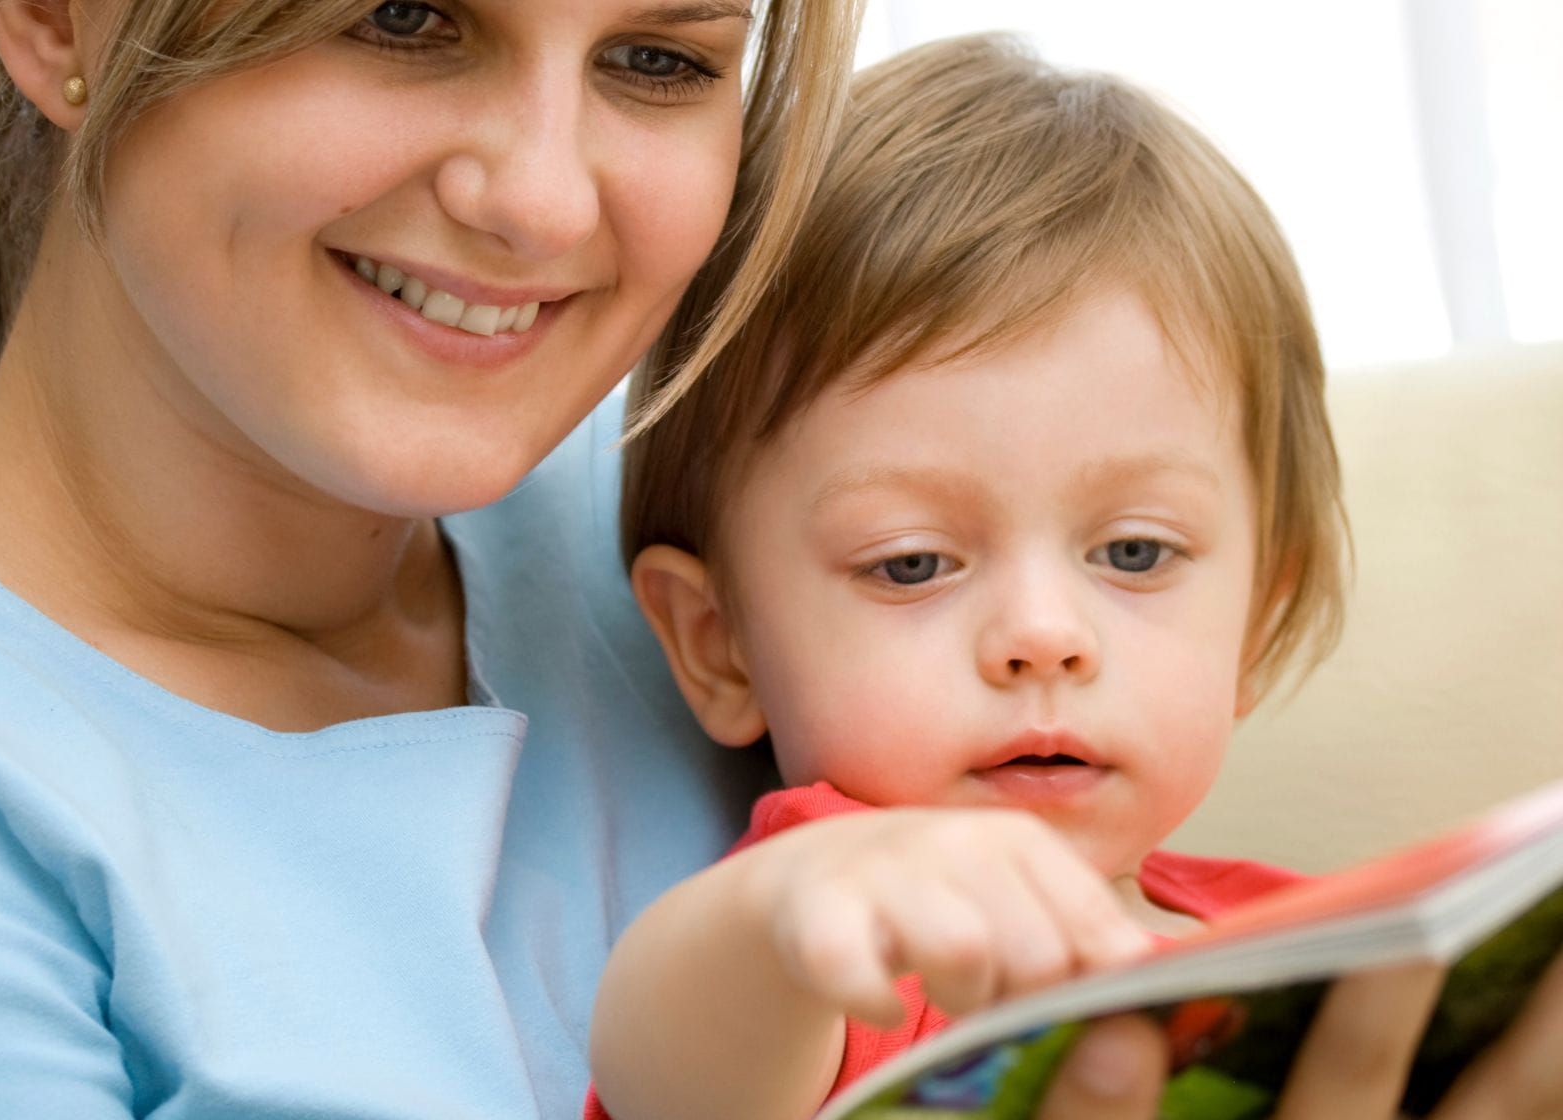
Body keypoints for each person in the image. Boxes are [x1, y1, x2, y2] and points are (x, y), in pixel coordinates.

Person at [0, 1, 865, 1116]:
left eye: (656, 61)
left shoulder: (745, 547)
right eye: (404, 20)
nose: (543, 202)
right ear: (59, 21)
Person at [587, 34, 1563, 1120]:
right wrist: (779, 917)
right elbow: (663, 1064)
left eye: (1135, 553)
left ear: (1255, 618)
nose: (1044, 635)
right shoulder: (848, 933)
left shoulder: (1321, 944)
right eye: (912, 563)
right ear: (718, 641)